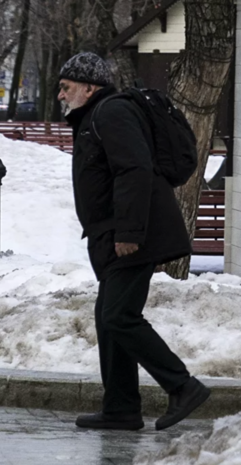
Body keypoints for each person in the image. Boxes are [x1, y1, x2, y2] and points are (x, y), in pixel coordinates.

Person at [58, 52, 210, 431]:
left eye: (66, 87)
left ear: (89, 87)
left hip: (133, 234)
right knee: (108, 319)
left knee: (119, 316)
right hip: (112, 234)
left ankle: (183, 387)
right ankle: (121, 409)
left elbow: (134, 170)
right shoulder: (95, 116)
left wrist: (128, 233)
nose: (60, 95)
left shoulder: (110, 113)